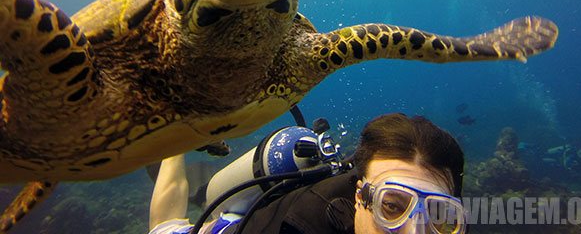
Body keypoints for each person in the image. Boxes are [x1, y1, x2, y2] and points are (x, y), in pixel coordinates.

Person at [148, 112, 466, 234]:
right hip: (238, 228)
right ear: (360, 199)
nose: (415, 233)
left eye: (439, 216)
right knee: (164, 228)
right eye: (392, 207)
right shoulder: (296, 228)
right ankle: (178, 132)